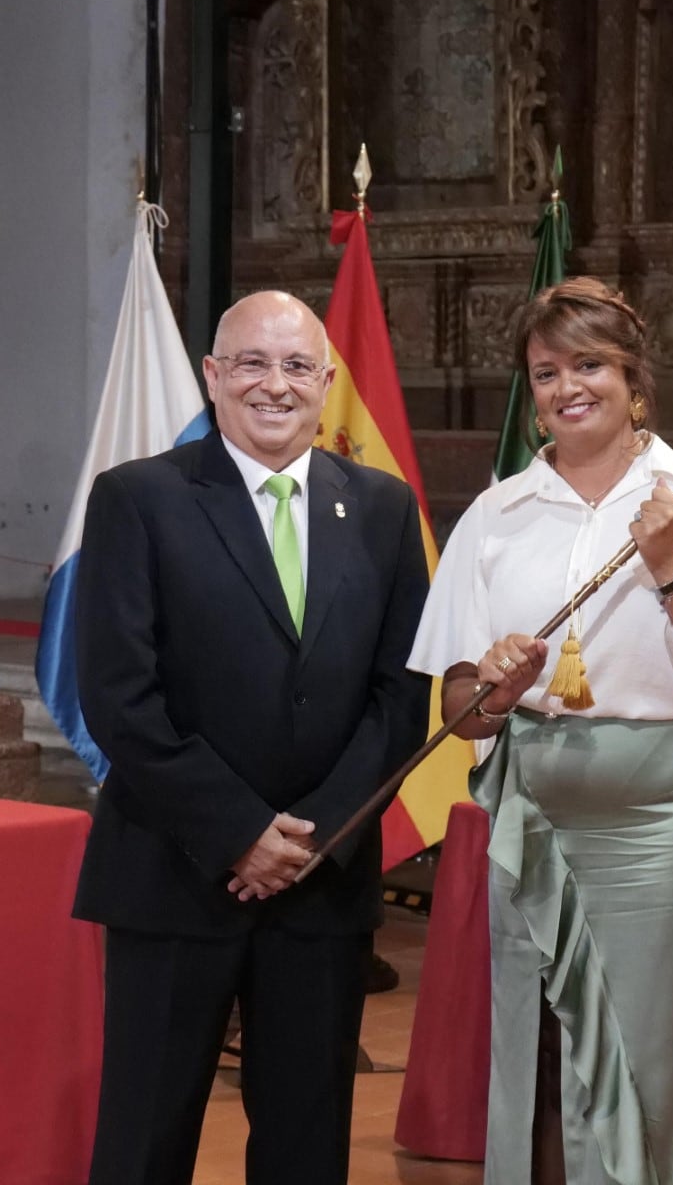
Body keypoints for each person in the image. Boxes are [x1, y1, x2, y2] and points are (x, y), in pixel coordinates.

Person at [409, 277, 673, 1184]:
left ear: (633, 378)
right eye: (546, 372)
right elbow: (457, 712)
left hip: (661, 823)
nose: (567, 387)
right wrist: (496, 690)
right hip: (533, 816)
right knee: (540, 1054)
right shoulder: (496, 515)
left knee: (655, 1065)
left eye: (589, 364)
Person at [71, 290, 431, 1185]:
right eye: (252, 364)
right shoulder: (138, 499)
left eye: (297, 366)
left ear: (328, 382)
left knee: (308, 1146)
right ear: (212, 375)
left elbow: (403, 695)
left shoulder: (384, 510)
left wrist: (309, 838)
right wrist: (239, 832)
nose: (276, 385)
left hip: (322, 884)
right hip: (172, 875)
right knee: (145, 1142)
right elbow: (118, 696)